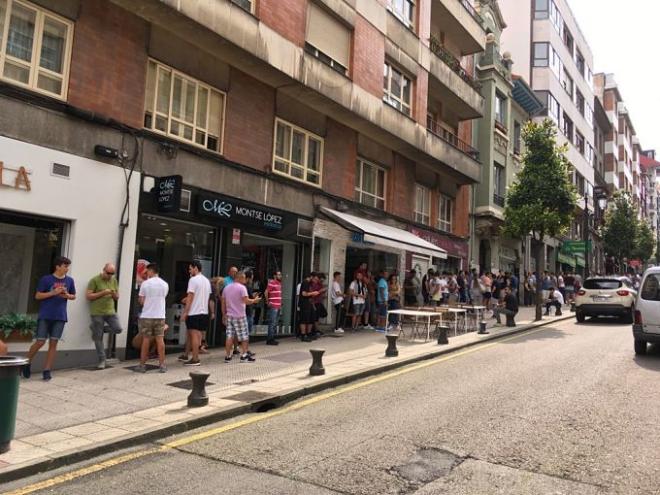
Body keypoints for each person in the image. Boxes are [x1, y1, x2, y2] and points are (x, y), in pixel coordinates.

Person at [23, 257, 76, 381]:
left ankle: (47, 370)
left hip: (60, 316)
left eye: (68, 266)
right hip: (45, 315)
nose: (67, 269)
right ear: (57, 266)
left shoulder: (70, 281)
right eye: (65, 266)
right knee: (40, 342)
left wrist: (67, 295)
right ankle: (26, 363)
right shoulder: (46, 279)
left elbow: (73, 296)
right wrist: (53, 293)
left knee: (53, 343)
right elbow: (37, 296)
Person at [86, 263, 123, 370]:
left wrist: (113, 294)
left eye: (112, 273)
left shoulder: (114, 281)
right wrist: (103, 293)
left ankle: (96, 328)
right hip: (97, 312)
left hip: (110, 311)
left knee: (118, 329)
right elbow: (88, 296)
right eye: (108, 273)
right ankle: (102, 360)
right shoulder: (94, 280)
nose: (110, 275)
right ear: (103, 270)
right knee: (98, 337)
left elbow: (117, 297)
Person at [180, 260, 214, 366]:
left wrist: (185, 312)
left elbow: (190, 296)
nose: (189, 271)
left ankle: (195, 359)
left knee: (193, 335)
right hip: (204, 312)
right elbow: (207, 298)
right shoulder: (206, 281)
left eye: (190, 269)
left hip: (194, 312)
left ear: (195, 268)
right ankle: (187, 355)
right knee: (194, 335)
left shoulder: (193, 280)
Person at [136, 263, 169, 373]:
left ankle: (142, 365)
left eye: (147, 271)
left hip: (147, 316)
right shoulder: (165, 284)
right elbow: (163, 297)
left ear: (150, 271)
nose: (146, 273)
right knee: (160, 340)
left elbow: (141, 300)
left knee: (146, 340)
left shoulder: (145, 284)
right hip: (160, 315)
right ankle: (162, 365)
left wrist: (147, 303)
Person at [222, 271, 261, 362]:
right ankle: (244, 355)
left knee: (229, 336)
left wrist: (224, 314)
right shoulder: (242, 288)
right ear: (238, 278)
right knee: (244, 336)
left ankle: (228, 356)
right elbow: (246, 301)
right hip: (240, 316)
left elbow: (223, 302)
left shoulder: (226, 288)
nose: (245, 280)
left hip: (229, 315)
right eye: (243, 278)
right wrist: (254, 300)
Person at [298, 273, 320, 341]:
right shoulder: (305, 282)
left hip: (309, 304)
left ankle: (308, 333)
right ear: (311, 277)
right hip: (304, 304)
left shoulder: (309, 284)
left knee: (311, 319)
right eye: (315, 279)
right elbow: (303, 293)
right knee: (304, 320)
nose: (315, 281)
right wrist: (313, 293)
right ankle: (303, 335)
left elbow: (308, 294)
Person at [264, 270, 283, 345]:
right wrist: (267, 301)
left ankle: (272, 338)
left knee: (275, 323)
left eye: (280, 275)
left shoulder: (279, 283)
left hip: (278, 306)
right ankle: (269, 339)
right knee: (272, 322)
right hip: (273, 305)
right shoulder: (271, 283)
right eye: (278, 275)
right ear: (274, 276)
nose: (280, 276)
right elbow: (266, 292)